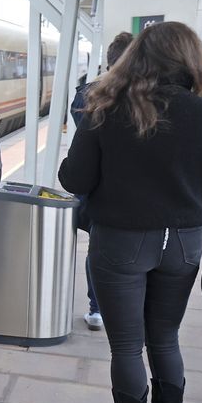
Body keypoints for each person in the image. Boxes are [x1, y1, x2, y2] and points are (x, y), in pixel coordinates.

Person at [58, 21, 202, 403]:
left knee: (127, 348)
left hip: (121, 242)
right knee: (166, 339)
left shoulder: (107, 108)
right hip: (183, 244)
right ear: (191, 60)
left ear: (136, 58)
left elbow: (73, 180)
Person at [70, 31, 135, 331]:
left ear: (109, 61)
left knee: (98, 248)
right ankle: (128, 309)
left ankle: (97, 309)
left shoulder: (86, 94)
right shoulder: (147, 97)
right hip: (136, 192)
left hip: (98, 189)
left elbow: (83, 148)